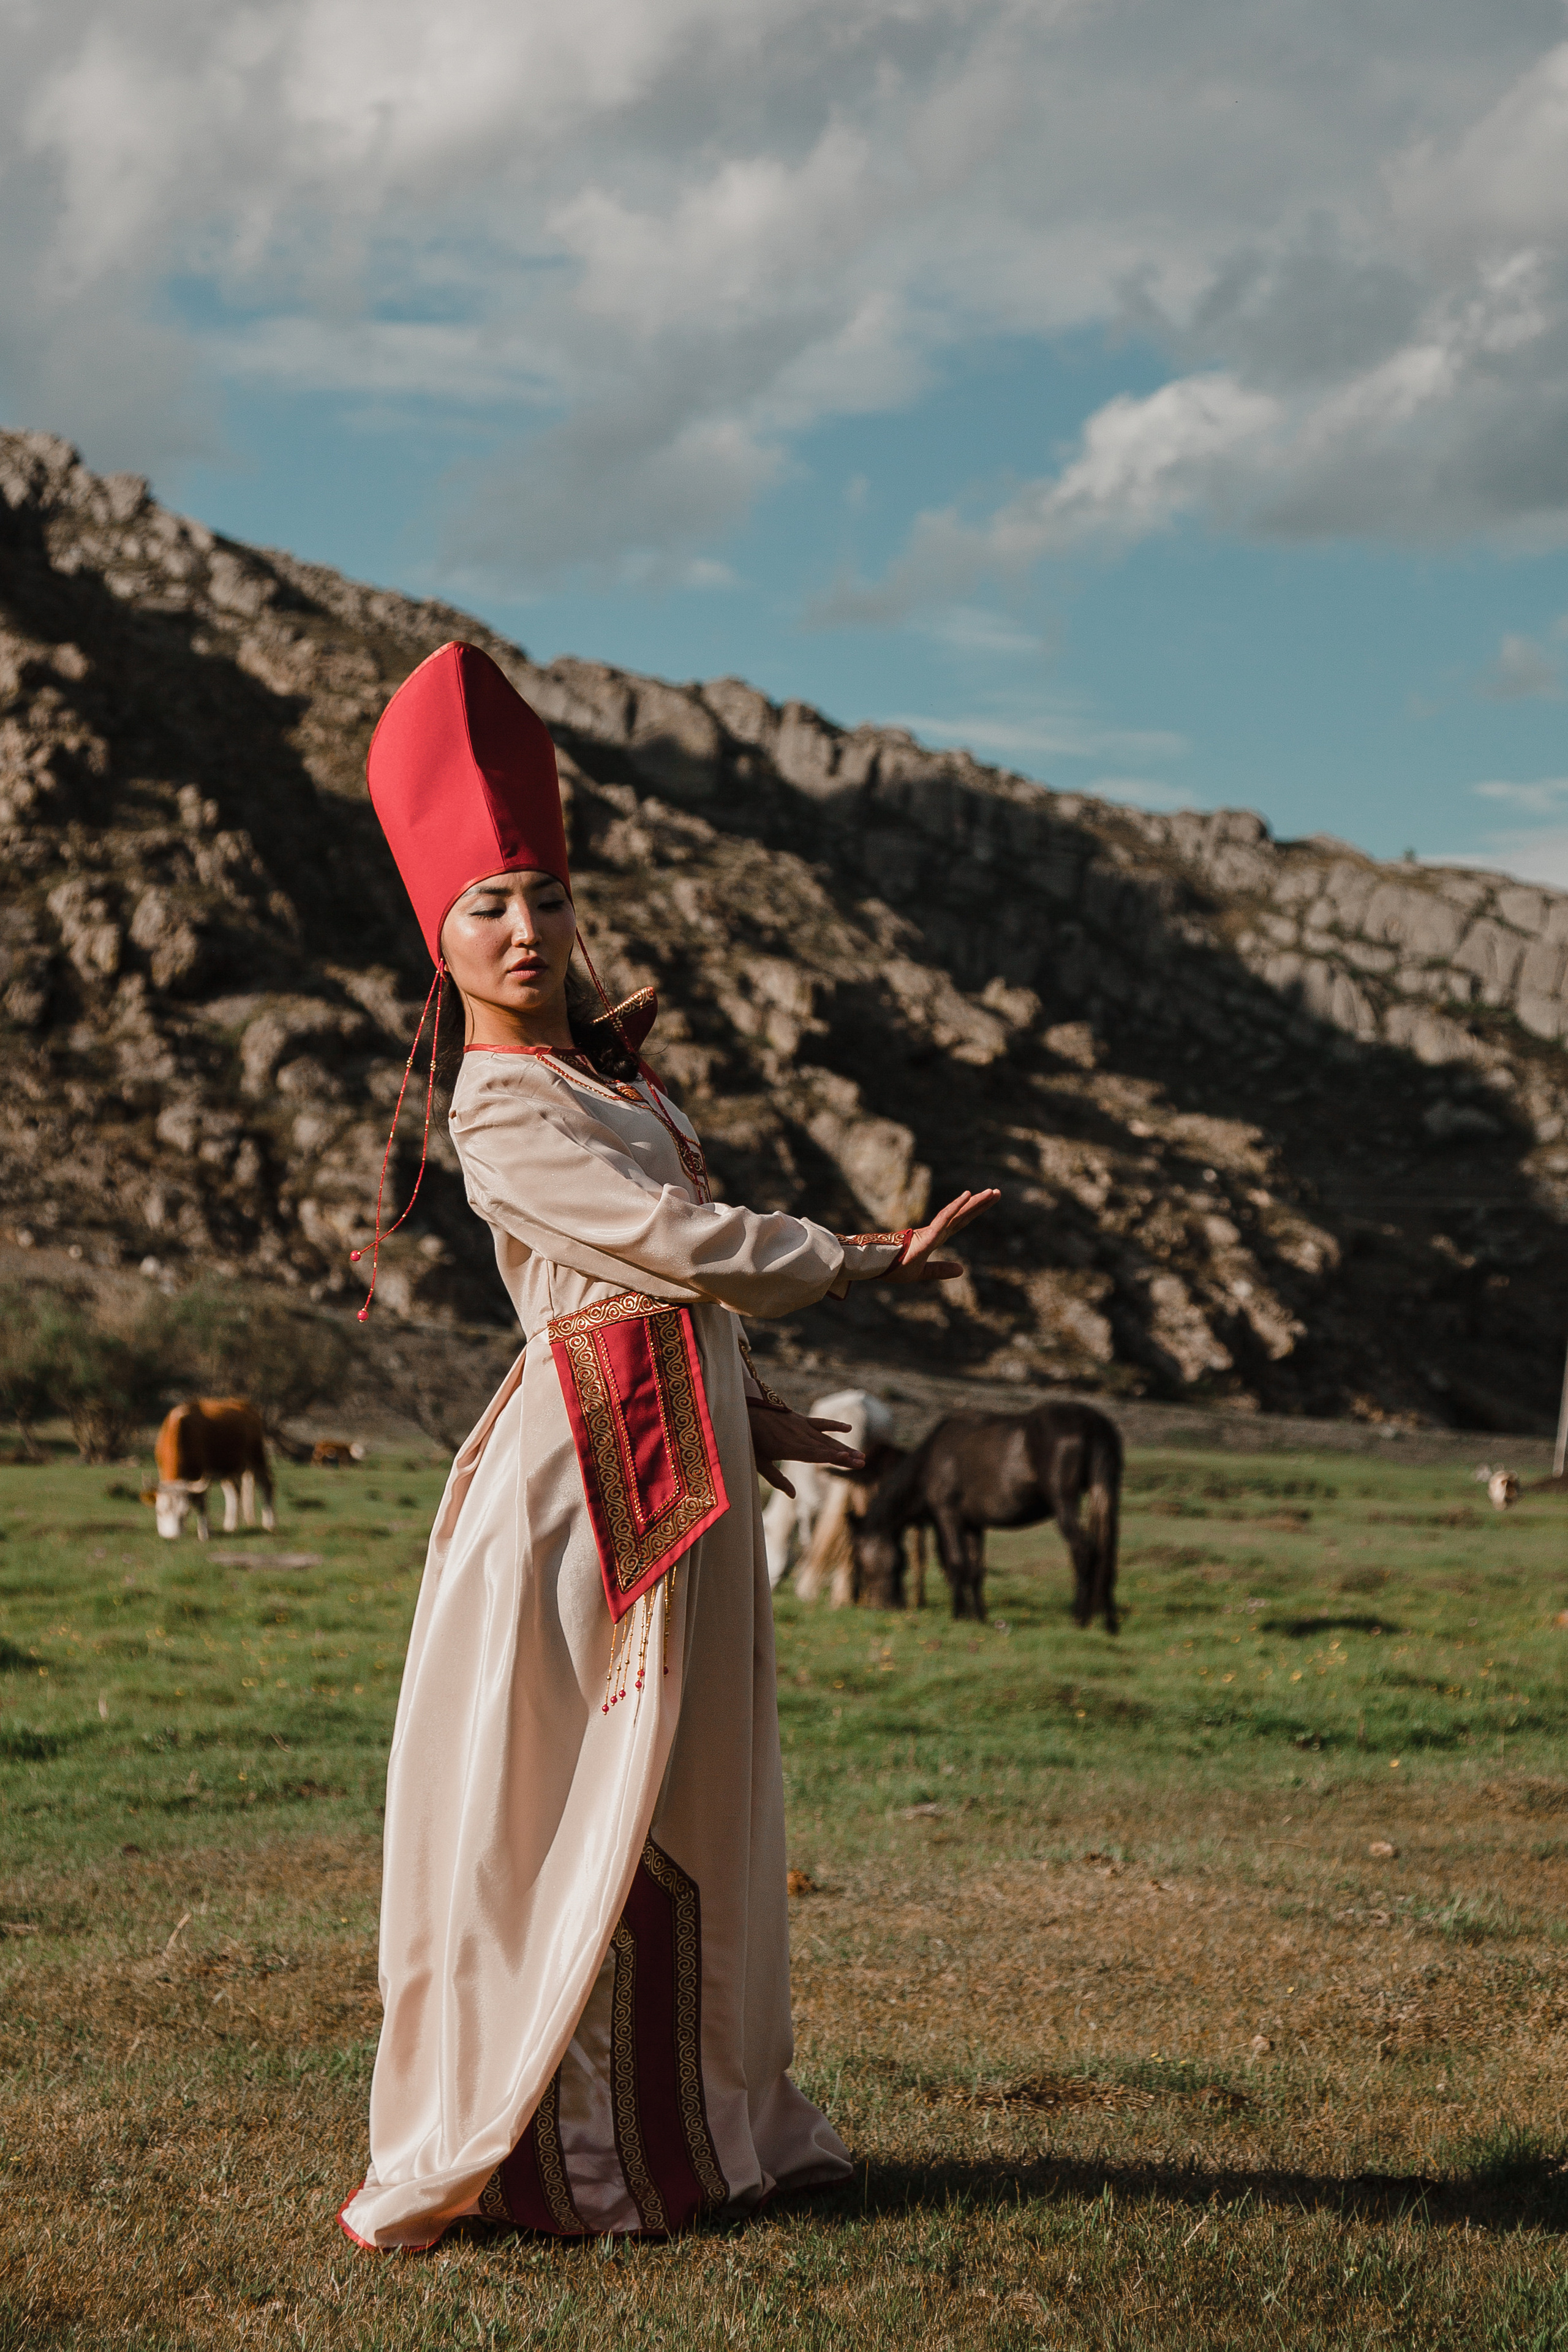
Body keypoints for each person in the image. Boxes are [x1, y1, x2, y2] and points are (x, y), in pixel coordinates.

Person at [337, 644, 998, 2251]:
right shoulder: (500, 1105)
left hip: (669, 1459)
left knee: (693, 1789)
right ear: (441, 938)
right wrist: (861, 1259)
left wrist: (748, 1410)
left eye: (546, 898)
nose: (525, 929)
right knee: (581, 1790)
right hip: (581, 1485)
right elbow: (665, 1246)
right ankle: (571, 2150)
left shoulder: (594, 1075)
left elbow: (649, 1285)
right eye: (487, 906)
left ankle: (704, 2128)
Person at [762, 1388, 897, 1596]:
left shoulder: (822, 1408)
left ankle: (814, 1579)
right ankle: (847, 1582)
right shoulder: (884, 1415)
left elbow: (809, 1507)